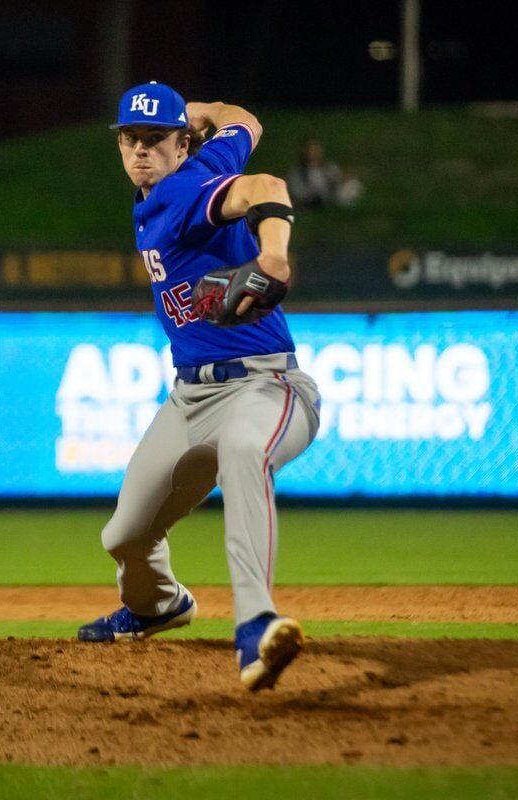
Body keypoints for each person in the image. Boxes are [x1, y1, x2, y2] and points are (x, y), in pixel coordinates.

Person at [76, 82, 322, 692]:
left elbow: (268, 187)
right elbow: (247, 120)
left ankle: (256, 625)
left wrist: (274, 256)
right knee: (125, 535)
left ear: (181, 145)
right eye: (130, 138)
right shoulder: (206, 161)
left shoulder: (182, 191)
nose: (140, 150)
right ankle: (157, 605)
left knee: (243, 449)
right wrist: (204, 112)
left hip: (265, 386)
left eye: (155, 138)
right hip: (190, 398)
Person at [286, 138, 363, 209]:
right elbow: (298, 191)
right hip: (310, 198)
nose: (314, 153)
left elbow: (337, 180)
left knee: (353, 184)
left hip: (330, 195)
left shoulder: (329, 166)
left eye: (316, 150)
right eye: (311, 150)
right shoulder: (297, 171)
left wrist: (344, 179)